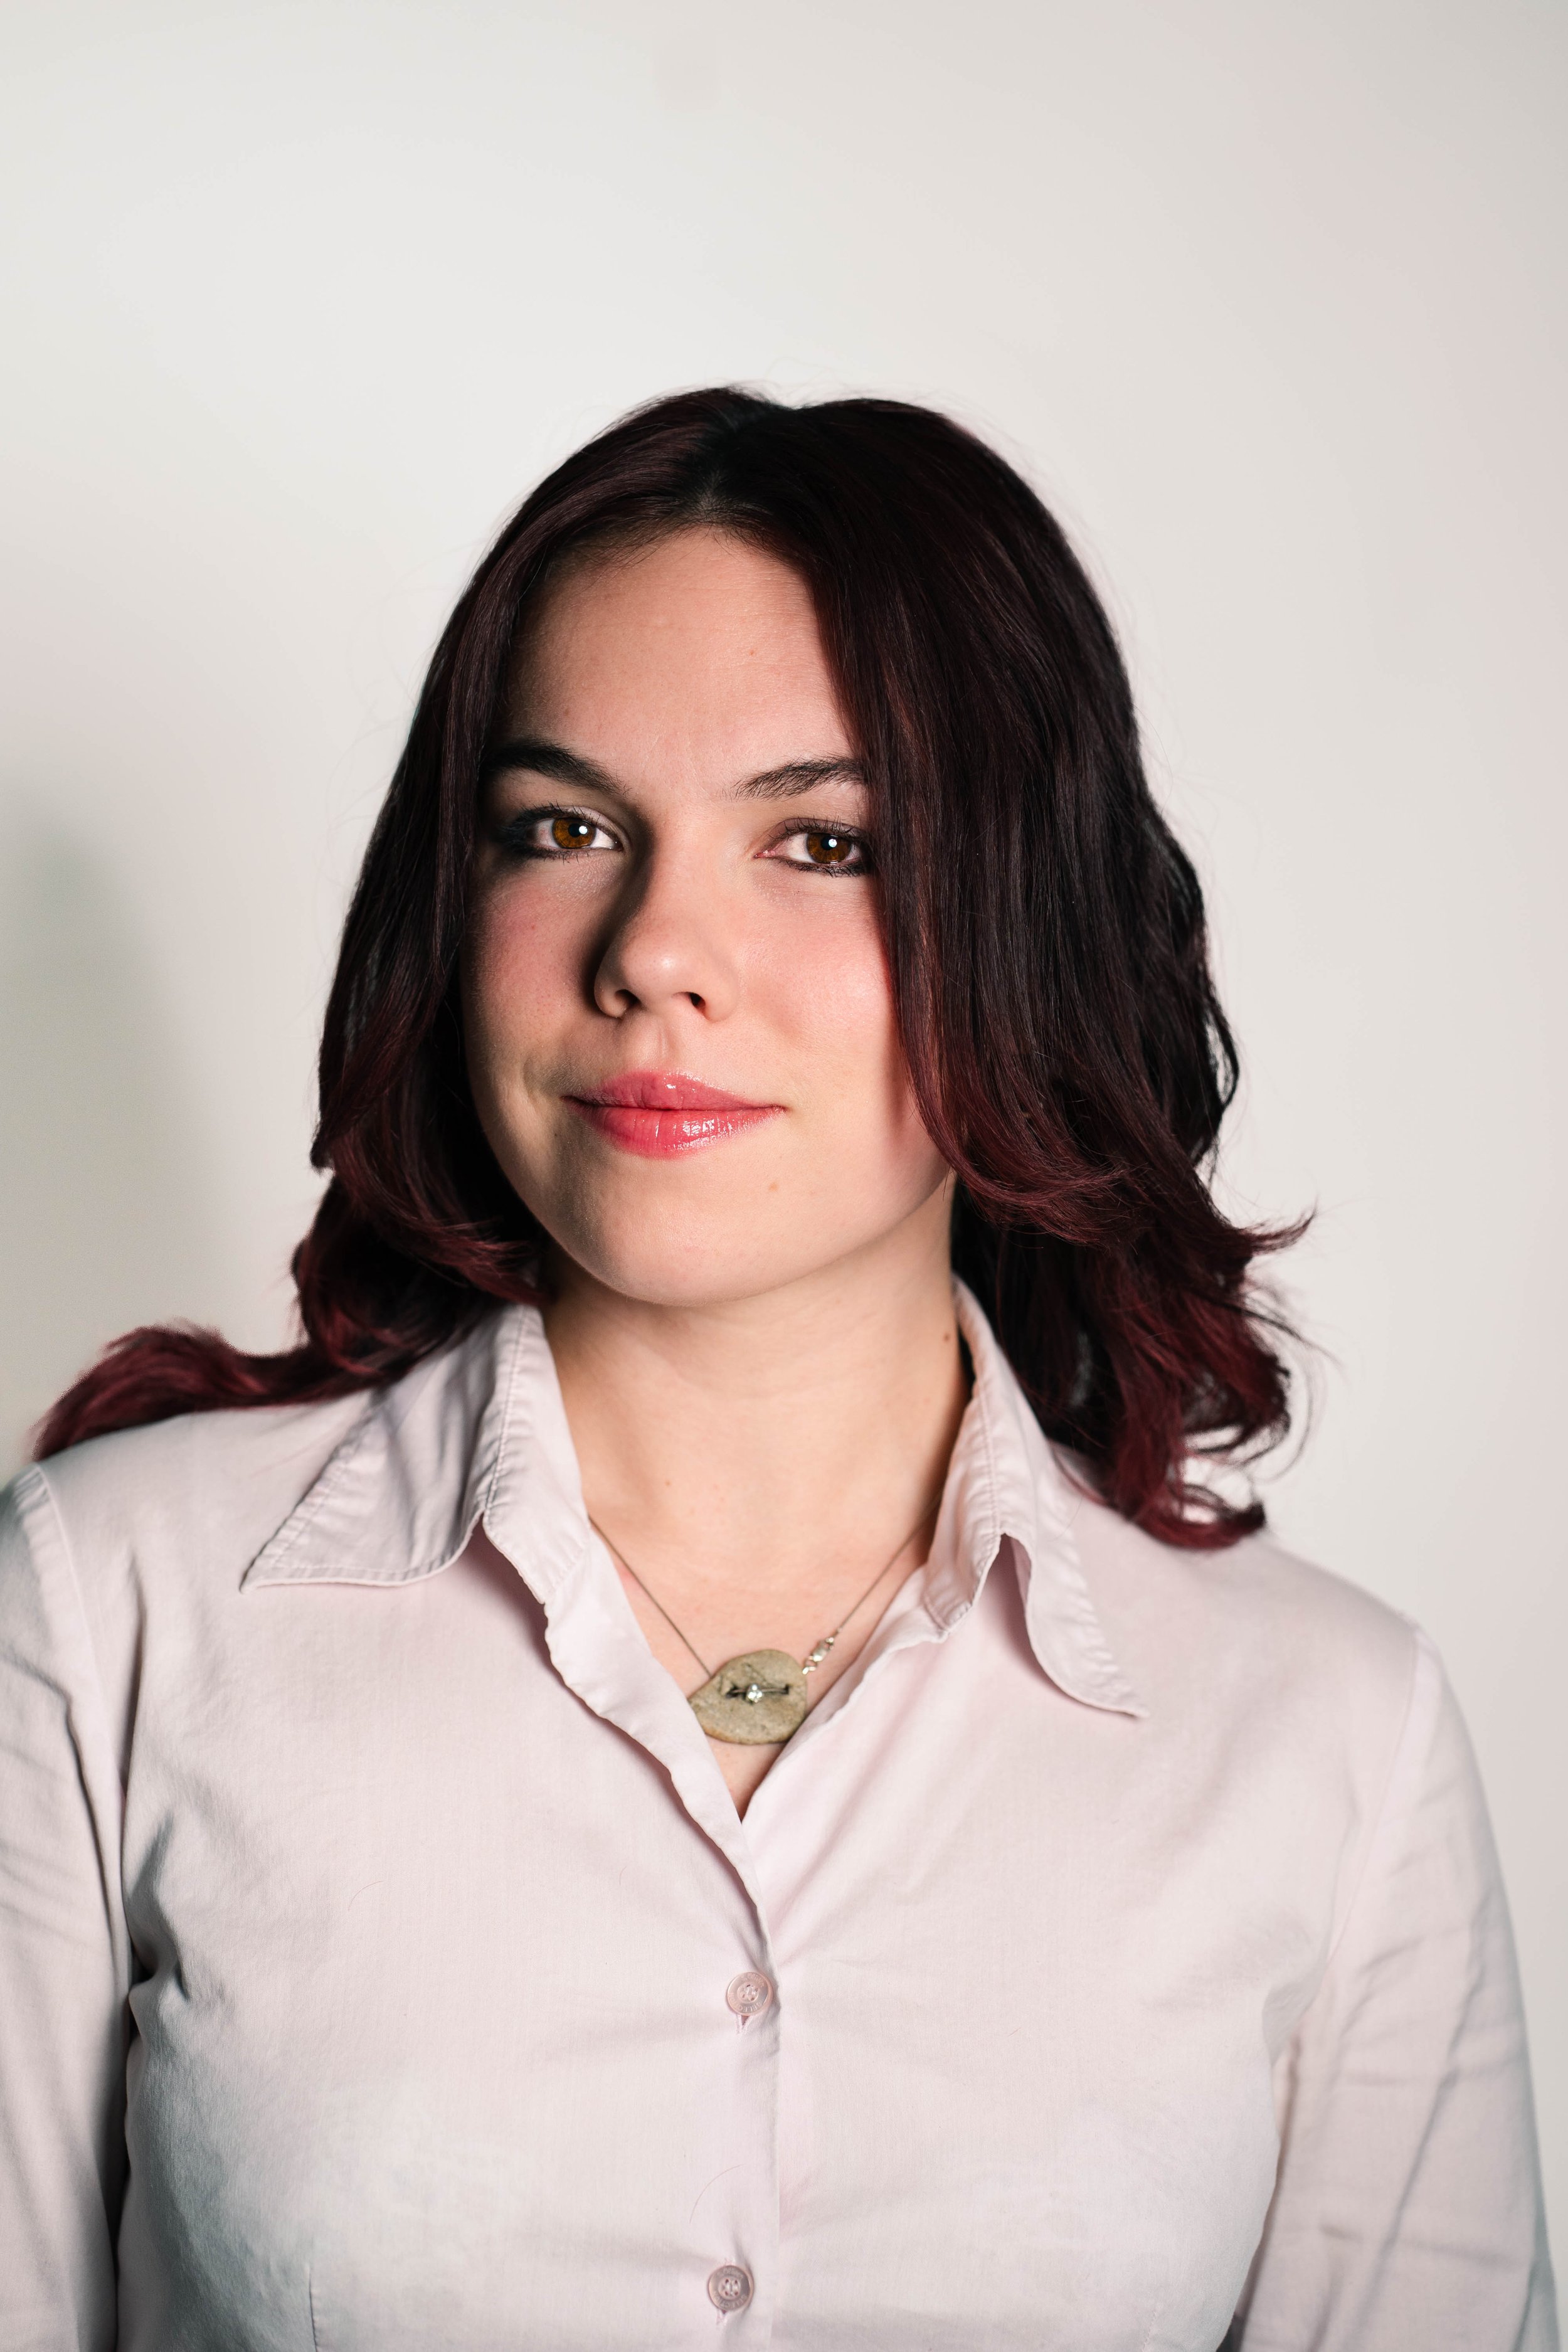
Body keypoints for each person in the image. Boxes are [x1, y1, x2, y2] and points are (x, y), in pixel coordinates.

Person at [0, 388, 1554, 2351]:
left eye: (819, 841)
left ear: (1027, 929)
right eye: (563, 829)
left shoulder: (1333, 1739)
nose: (656, 947)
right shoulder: (104, 1603)